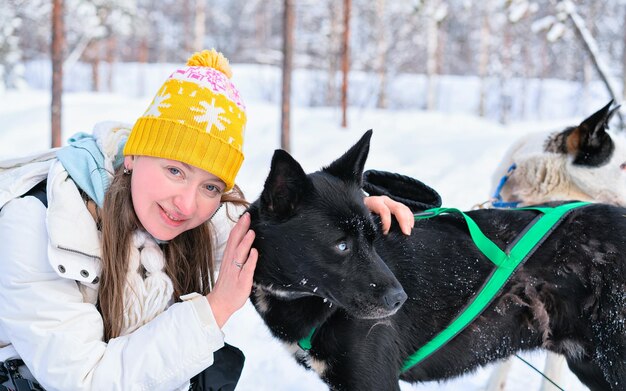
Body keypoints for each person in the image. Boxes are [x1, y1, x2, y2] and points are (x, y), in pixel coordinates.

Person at [0, 49, 414, 391]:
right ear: (133, 154)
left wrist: (352, 209)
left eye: (211, 186)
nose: (186, 203)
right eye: (175, 170)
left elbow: (285, 228)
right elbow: (83, 381)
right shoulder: (41, 224)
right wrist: (213, 310)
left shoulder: (204, 217)